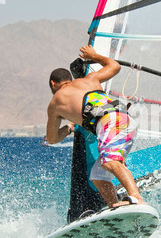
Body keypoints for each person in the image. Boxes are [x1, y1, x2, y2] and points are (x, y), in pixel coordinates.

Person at [47, 45, 145, 209]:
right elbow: (115, 66)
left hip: (111, 123)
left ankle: (136, 198)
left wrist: (69, 128)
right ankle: (115, 207)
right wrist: (94, 55)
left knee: (110, 162)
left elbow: (52, 138)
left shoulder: (55, 102)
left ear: (53, 84)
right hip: (124, 118)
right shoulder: (89, 79)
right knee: (98, 175)